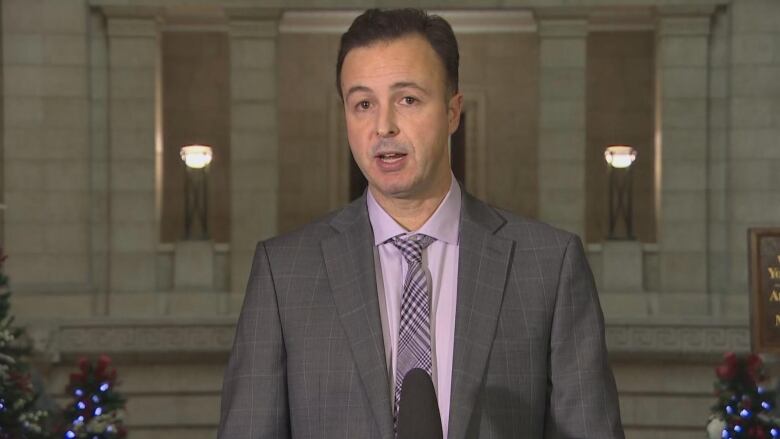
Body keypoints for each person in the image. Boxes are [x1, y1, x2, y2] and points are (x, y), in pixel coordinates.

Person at [218, 8, 624, 439]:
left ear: (453, 112)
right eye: (363, 105)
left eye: (407, 100)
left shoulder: (548, 266)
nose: (383, 127)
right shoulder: (284, 274)